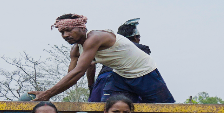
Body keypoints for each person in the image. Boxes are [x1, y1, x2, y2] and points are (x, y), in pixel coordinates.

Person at [35, 14, 175, 104]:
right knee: (108, 109)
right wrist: (91, 87)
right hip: (120, 76)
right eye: (62, 32)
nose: (65, 35)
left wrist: (48, 94)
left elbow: (78, 72)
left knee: (165, 109)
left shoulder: (95, 38)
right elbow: (73, 75)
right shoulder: (76, 50)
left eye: (69, 30)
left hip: (145, 73)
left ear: (82, 28)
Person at [87, 18, 151, 103]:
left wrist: (92, 87)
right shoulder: (141, 49)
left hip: (103, 80)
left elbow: (91, 64)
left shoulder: (110, 47)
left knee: (95, 108)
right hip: (126, 81)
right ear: (136, 37)